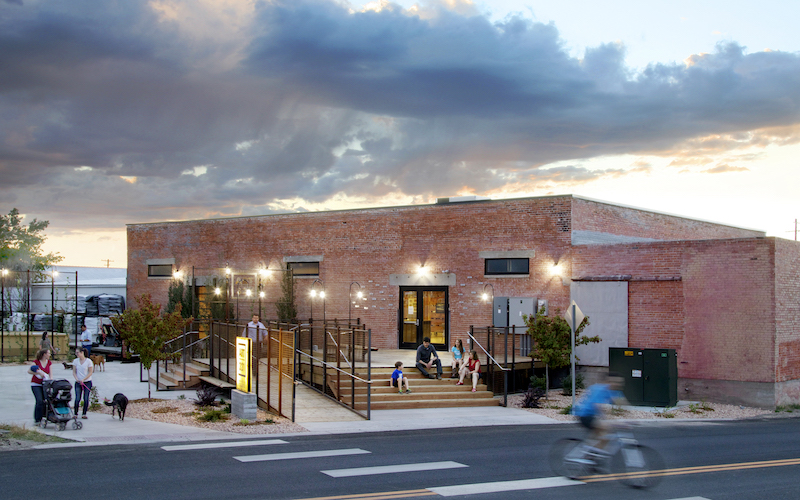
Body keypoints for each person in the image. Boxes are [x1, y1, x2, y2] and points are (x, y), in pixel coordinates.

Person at [572, 372, 628, 452]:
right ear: (608, 382)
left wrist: (632, 418)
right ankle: (591, 453)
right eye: (615, 382)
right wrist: (608, 421)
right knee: (606, 428)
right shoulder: (600, 389)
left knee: (604, 436)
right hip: (583, 414)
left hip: (592, 414)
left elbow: (622, 403)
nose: (617, 384)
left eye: (619, 383)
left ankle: (592, 454)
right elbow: (598, 407)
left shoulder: (614, 390)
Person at [27, 349, 52, 424]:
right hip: (36, 384)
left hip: (45, 384)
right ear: (44, 354)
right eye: (48, 353)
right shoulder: (36, 362)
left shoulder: (49, 363)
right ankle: (37, 419)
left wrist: (51, 381)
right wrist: (37, 373)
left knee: (46, 400)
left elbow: (50, 373)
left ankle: (46, 415)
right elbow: (29, 371)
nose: (49, 355)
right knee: (39, 400)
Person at [73, 347, 94, 419]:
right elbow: (74, 372)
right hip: (78, 382)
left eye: (77, 352)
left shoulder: (89, 361)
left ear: (82, 352)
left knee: (86, 398)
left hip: (87, 382)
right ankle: (75, 413)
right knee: (77, 398)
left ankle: (84, 413)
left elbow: (90, 372)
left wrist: (83, 379)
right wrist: (77, 379)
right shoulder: (75, 361)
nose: (76, 354)